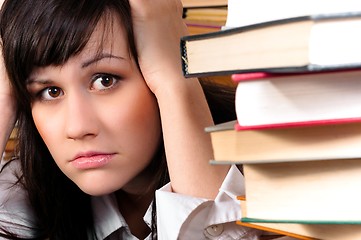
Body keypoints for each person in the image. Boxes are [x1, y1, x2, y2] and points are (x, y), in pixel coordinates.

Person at [0, 0, 271, 239]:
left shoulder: (284, 176)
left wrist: (177, 80)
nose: (77, 128)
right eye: (51, 91)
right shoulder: (27, 189)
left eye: (105, 81)